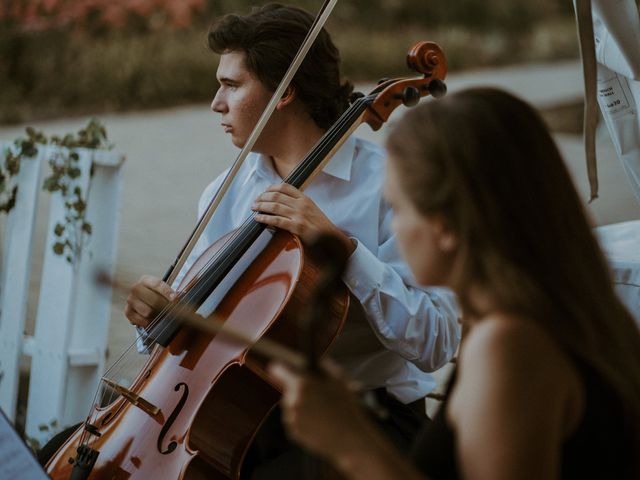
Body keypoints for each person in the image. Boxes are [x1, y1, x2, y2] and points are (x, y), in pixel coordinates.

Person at [124, 3, 460, 478]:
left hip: (368, 421)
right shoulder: (227, 190)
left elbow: (438, 340)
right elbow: (198, 334)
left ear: (285, 92)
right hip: (247, 415)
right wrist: (158, 316)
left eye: (231, 86)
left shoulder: (392, 186)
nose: (215, 104)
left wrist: (343, 250)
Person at [269, 87, 640, 479]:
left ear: (444, 225)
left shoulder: (511, 347)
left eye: (398, 208)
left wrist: (352, 442)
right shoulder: (568, 310)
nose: (392, 226)